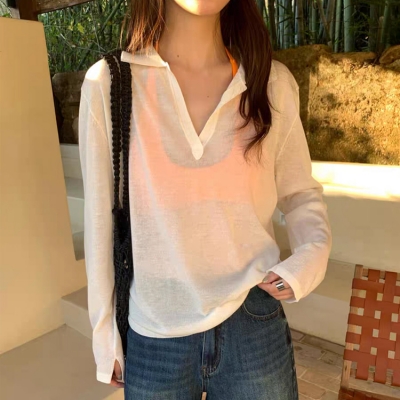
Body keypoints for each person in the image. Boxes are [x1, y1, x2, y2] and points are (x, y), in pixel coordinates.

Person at [78, 0, 332, 399]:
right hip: (156, 330)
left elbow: (299, 192)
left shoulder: (270, 82)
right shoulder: (110, 84)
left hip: (253, 318)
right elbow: (100, 222)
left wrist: (309, 259)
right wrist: (104, 334)